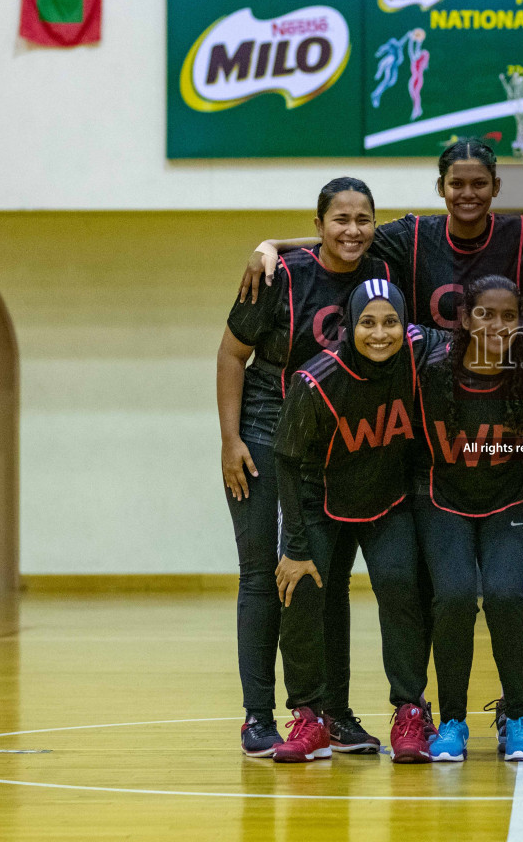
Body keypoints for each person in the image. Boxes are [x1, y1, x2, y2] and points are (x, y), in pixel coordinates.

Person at [216, 177, 391, 757]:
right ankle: (257, 716)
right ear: (318, 225)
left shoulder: (381, 270)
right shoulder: (277, 278)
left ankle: (333, 714)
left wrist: (271, 237)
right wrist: (230, 441)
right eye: (339, 220)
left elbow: (353, 239)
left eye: (362, 219)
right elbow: (231, 355)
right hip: (265, 432)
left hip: (337, 442)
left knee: (326, 580)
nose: (352, 230)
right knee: (262, 572)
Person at [271, 278, 441, 764]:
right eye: (368, 322)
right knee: (303, 588)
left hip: (388, 499)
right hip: (319, 498)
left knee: (400, 582)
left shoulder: (419, 350)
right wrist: (295, 545)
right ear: (350, 325)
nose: (381, 333)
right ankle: (311, 716)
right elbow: (284, 459)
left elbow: (468, 341)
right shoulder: (317, 379)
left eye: (391, 321)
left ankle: (410, 710)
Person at [413, 275, 523, 762]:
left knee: (508, 596)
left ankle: (519, 716)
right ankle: (452, 720)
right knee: (452, 597)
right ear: (465, 318)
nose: (497, 324)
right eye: (485, 314)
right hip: (443, 498)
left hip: (510, 498)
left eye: (509, 316)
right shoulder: (429, 369)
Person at [245, 139, 523, 331]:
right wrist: (272, 245)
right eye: (456, 184)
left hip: (498, 388)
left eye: (479, 184)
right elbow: (346, 239)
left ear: (495, 187)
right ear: (441, 188)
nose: (468, 194)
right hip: (427, 394)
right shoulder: (412, 236)